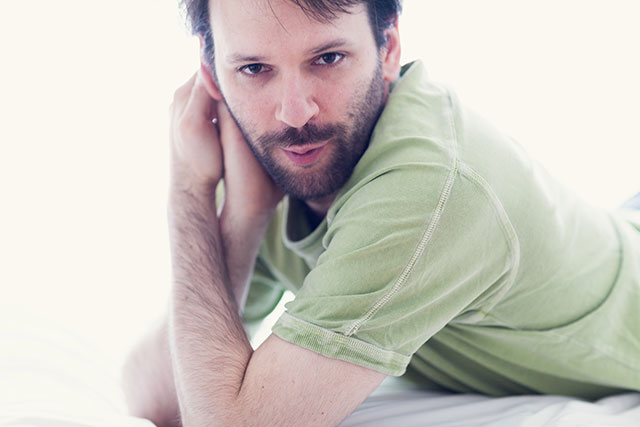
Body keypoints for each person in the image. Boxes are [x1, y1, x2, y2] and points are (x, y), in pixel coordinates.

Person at [121, 0, 640, 425]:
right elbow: (158, 400)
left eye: (327, 59)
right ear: (213, 79)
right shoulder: (267, 168)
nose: (294, 112)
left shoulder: (427, 189)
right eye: (254, 69)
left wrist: (188, 192)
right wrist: (239, 220)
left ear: (387, 48)